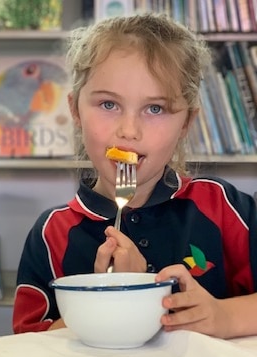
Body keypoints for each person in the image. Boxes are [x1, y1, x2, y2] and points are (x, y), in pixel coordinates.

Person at [13, 13, 257, 339]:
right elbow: (27, 343)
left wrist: (224, 316)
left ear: (186, 123)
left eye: (154, 108)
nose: (129, 131)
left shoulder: (223, 207)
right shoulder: (51, 234)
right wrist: (110, 297)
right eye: (108, 104)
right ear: (74, 111)